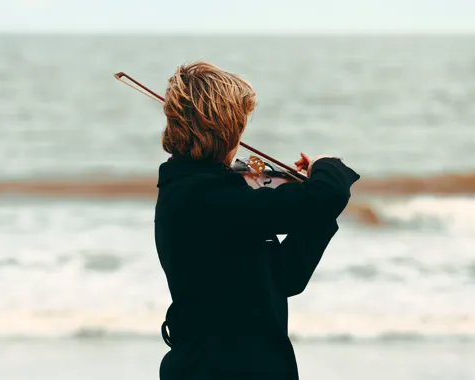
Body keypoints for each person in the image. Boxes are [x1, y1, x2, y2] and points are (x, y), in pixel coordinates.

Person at [154, 61, 360, 380]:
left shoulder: (207, 189)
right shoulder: (202, 197)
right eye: (240, 126)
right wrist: (327, 164)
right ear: (226, 129)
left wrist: (316, 216)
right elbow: (328, 193)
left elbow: (286, 277)